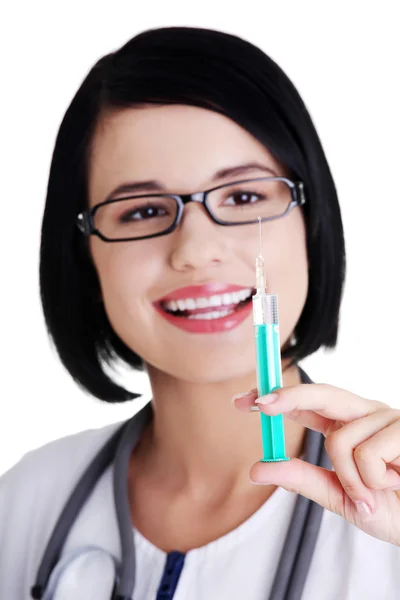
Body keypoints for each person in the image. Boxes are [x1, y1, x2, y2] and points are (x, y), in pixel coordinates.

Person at [0, 25, 399, 600]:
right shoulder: (25, 506)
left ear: (311, 226)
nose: (195, 250)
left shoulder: (390, 514)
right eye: (141, 211)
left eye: (242, 197)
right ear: (84, 259)